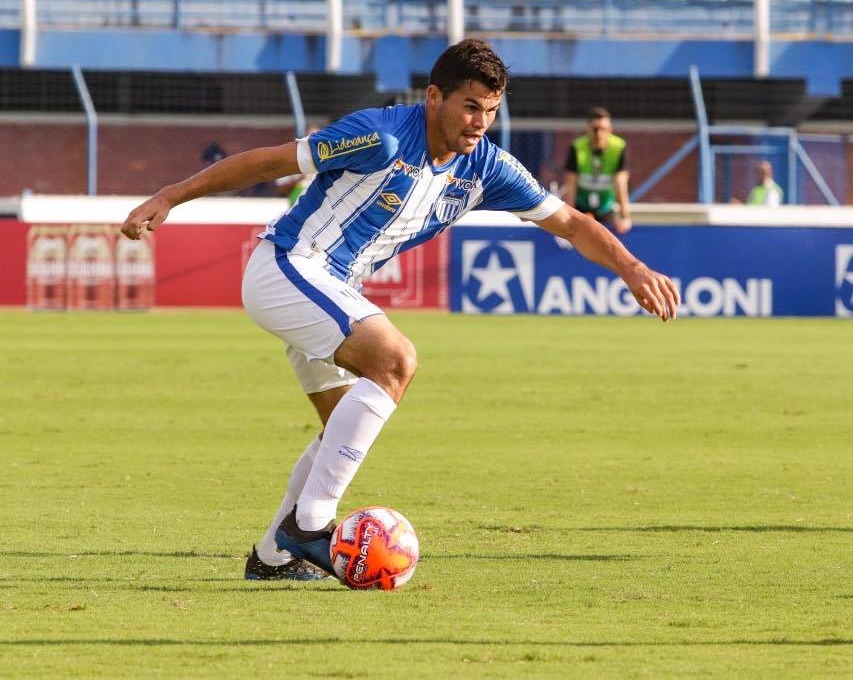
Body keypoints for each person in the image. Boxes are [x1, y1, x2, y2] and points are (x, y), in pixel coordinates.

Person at [121, 39, 680, 582]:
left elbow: (573, 223)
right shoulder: (380, 135)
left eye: (491, 110)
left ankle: (272, 554)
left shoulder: (486, 167)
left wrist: (632, 268)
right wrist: (170, 195)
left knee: (339, 422)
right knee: (396, 360)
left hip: (333, 285)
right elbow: (270, 163)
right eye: (469, 107)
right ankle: (310, 525)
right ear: (434, 97)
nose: (479, 122)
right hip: (289, 266)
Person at [563, 107, 632, 234]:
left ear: (610, 130)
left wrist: (624, 216)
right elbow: (571, 185)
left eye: (603, 129)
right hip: (581, 205)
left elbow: (621, 184)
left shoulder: (619, 147)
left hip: (605, 207)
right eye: (595, 129)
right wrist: (569, 218)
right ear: (588, 130)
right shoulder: (577, 147)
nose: (598, 134)